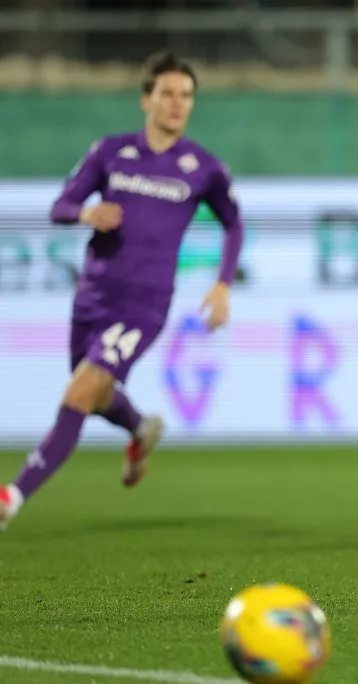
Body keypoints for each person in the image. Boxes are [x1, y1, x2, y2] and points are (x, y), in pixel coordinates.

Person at [0, 51, 244, 532]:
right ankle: (139, 427)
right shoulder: (110, 152)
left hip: (144, 304)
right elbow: (60, 206)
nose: (177, 104)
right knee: (93, 391)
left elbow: (233, 224)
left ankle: (13, 496)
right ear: (146, 99)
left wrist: (222, 286)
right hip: (92, 295)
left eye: (186, 96)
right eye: (167, 93)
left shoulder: (203, 167)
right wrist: (86, 213)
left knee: (82, 389)